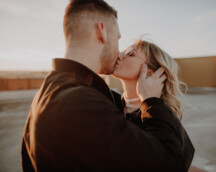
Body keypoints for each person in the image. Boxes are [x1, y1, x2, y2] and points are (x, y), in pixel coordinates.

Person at [21, 0, 195, 171]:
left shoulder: (55, 90)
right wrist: (151, 103)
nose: (118, 52)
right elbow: (168, 164)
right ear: (101, 32)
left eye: (130, 54)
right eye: (118, 38)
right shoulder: (81, 103)